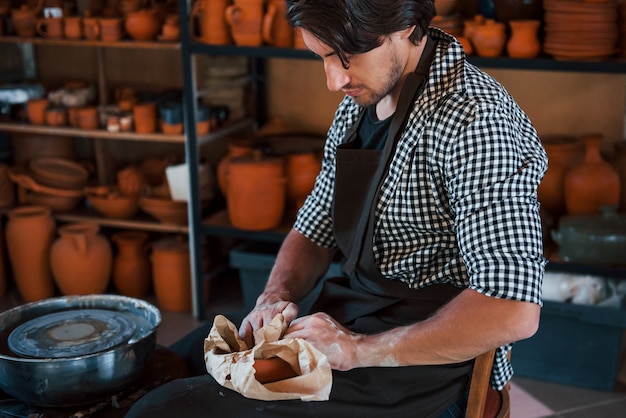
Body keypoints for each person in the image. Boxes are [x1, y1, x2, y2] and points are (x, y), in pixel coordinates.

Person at [127, 0, 547, 416]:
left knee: (165, 409)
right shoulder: (360, 102)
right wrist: (275, 297)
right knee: (176, 359)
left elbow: (512, 309)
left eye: (344, 56)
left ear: (403, 24)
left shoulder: (474, 120)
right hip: (352, 318)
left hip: (417, 368)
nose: (333, 79)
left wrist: (358, 349)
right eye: (322, 56)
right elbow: (313, 228)